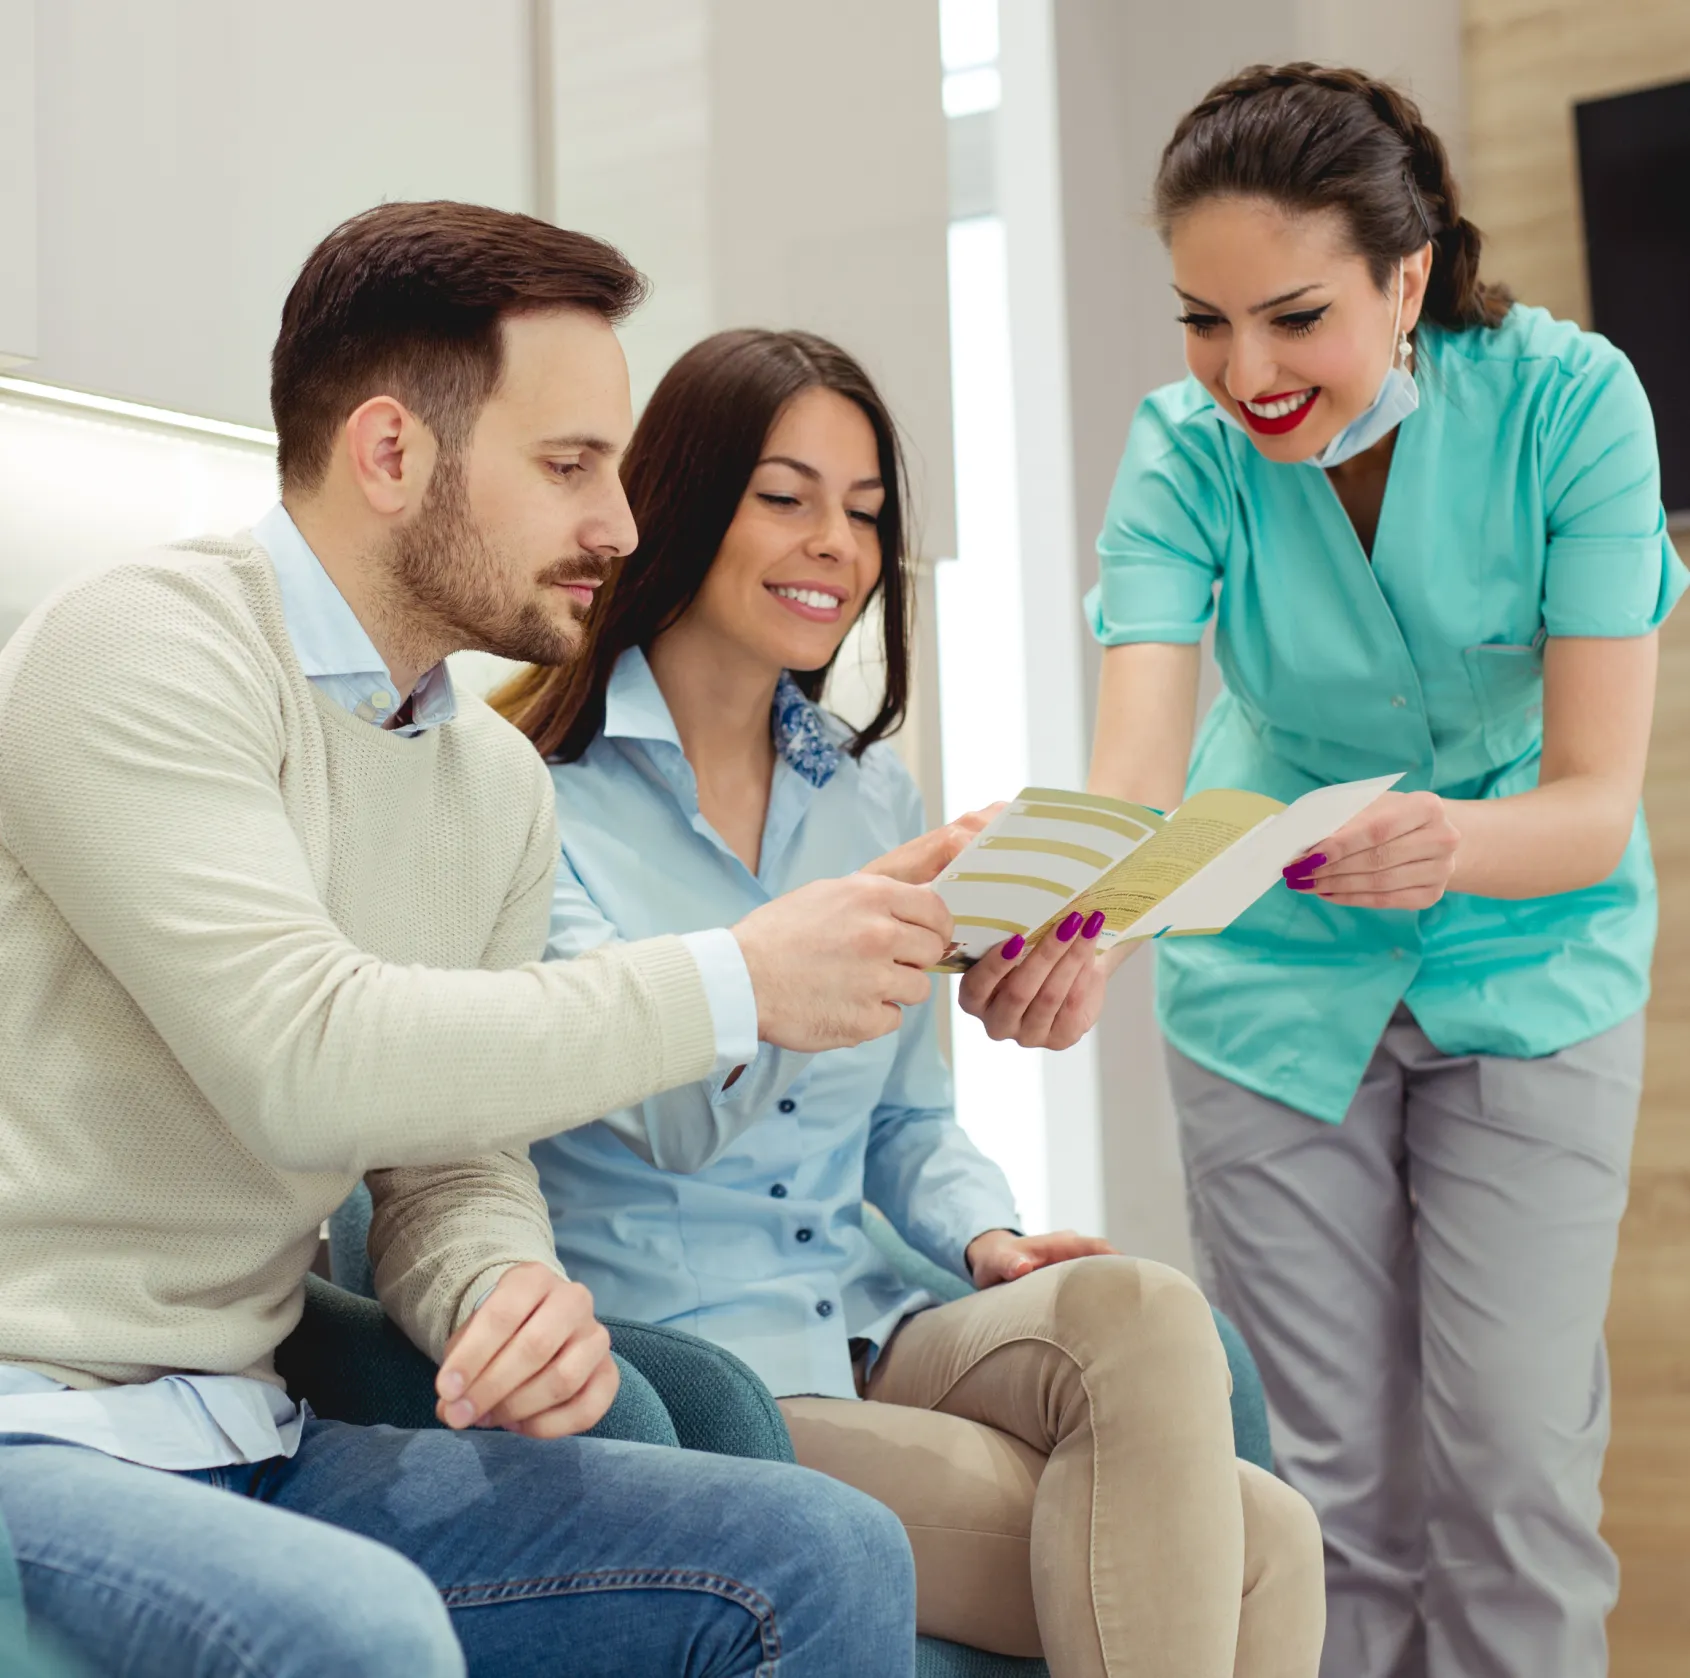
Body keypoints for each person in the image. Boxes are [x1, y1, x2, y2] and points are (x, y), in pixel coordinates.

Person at [0, 201, 948, 1678]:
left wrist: (497, 1290)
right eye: (568, 467)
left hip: (255, 1428)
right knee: (362, 1630)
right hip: (30, 1429)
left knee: (821, 1547)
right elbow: (306, 1057)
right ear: (391, 453)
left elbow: (445, 1157)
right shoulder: (139, 650)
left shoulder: (490, 780)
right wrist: (737, 979)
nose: (621, 528)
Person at [492, 326, 1327, 1678]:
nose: (836, 540)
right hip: (694, 1366)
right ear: (681, 499)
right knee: (1260, 1547)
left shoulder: (866, 794)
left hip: (872, 1311)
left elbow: (906, 1122)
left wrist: (982, 1233)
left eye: (866, 512)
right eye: (786, 497)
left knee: (1149, 1315)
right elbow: (663, 1118)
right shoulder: (530, 795)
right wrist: (825, 934)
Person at [1077, 64, 1687, 1678]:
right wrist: (1066, 917)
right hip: (1266, 976)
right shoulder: (1179, 452)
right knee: (1317, 1493)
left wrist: (1448, 845)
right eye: (1202, 321)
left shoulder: (1571, 406)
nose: (1243, 373)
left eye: (1292, 317)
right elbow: (1133, 774)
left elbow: (1590, 801)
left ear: (1404, 276)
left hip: (1527, 960)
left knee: (1512, 1472)